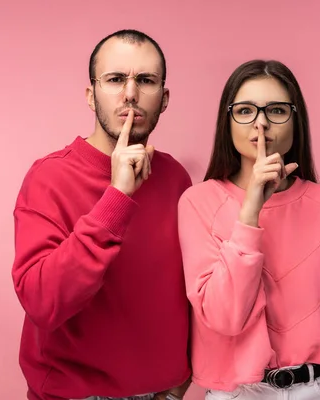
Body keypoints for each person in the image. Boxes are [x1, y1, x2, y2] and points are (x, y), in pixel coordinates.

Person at [177, 60, 320, 400]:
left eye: (276, 110)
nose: (260, 122)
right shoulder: (197, 203)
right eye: (245, 110)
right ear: (227, 122)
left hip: (319, 389)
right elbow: (223, 317)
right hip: (237, 393)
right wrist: (250, 213)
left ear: (296, 120)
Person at [11, 29, 192, 400]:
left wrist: (179, 380)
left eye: (145, 80)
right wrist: (117, 196)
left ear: (165, 97)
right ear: (91, 95)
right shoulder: (49, 178)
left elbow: (188, 291)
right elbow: (43, 303)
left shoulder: (175, 178)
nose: (130, 94)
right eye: (115, 79)